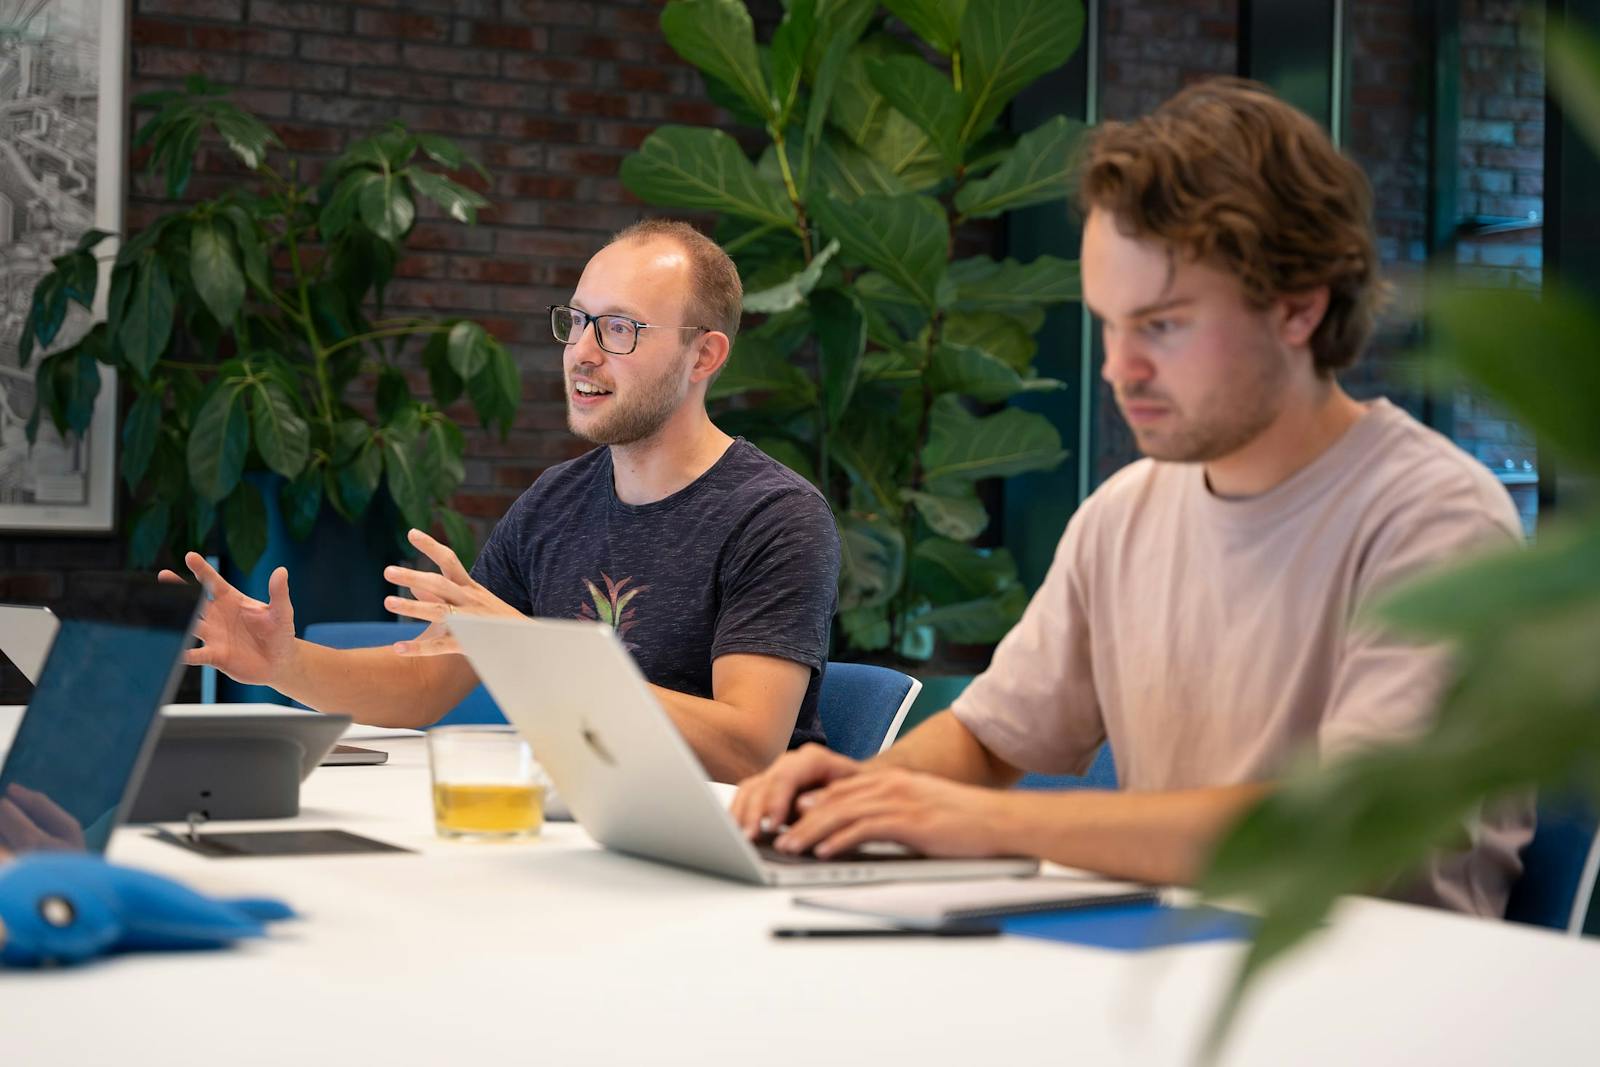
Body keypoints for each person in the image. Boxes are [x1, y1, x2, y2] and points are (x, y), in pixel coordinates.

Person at [731, 78, 1532, 917]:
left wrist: (992, 821)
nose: (1120, 369)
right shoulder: (1125, 514)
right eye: (1110, 323)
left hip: (1376, 994)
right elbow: (987, 739)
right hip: (1170, 964)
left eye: (1164, 324)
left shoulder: (1437, 521)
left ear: (1298, 306)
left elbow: (1340, 832)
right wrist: (853, 796)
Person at [165, 220, 841, 783]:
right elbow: (428, 681)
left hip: (721, 857)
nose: (581, 353)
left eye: (620, 329)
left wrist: (534, 648)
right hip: (585, 829)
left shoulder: (776, 516)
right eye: (577, 323)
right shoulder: (555, 503)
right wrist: (282, 663)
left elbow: (747, 748)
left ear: (705, 356)